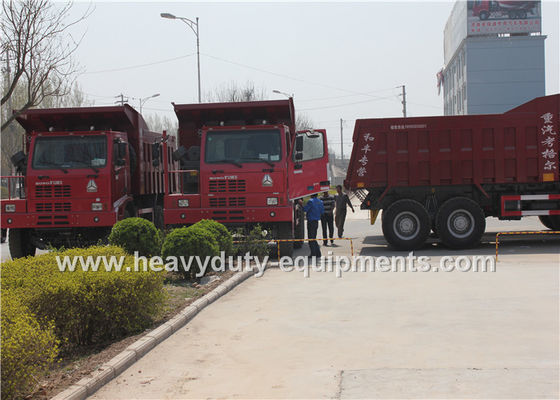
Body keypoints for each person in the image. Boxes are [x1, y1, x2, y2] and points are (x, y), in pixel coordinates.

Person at [299, 193, 324, 258]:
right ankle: (318, 253)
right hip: (316, 221)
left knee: (311, 238)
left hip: (311, 221)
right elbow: (322, 212)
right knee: (313, 238)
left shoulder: (310, 201)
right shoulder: (320, 202)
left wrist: (301, 204)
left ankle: (313, 254)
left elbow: (305, 209)